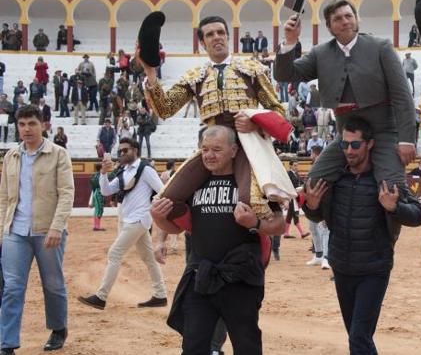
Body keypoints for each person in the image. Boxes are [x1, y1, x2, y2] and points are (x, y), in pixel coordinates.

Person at [142, 15, 295, 220]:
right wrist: (150, 72)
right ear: (203, 43)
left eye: (221, 32)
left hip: (246, 143)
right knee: (166, 201)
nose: (217, 37)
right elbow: (165, 109)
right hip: (212, 144)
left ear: (228, 37)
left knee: (253, 202)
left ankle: (259, 246)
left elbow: (278, 110)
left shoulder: (252, 69)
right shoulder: (195, 76)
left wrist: (255, 123)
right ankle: (199, 235)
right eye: (210, 34)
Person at [150, 125, 285, 354]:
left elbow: (280, 225)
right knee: (193, 346)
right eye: (204, 149)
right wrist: (158, 219)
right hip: (201, 275)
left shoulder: (252, 184)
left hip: (241, 278)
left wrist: (255, 223)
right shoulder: (192, 185)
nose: (209, 155)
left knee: (247, 346)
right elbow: (176, 229)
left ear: (234, 151)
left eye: (216, 149)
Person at [301, 117, 421, 354]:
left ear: (369, 144)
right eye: (345, 145)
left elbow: (417, 216)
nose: (349, 150)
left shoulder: (385, 181)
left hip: (374, 270)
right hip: (342, 268)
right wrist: (312, 206)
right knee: (358, 337)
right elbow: (316, 217)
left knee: (358, 336)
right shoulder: (335, 179)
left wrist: (394, 208)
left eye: (355, 145)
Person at [275, 0, 416, 203]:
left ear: (356, 19)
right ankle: (336, 230)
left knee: (392, 190)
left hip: (383, 131)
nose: (345, 21)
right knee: (313, 184)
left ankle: (385, 235)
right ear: (329, 26)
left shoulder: (381, 47)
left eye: (349, 16)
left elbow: (402, 95)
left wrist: (406, 140)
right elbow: (285, 74)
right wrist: (290, 41)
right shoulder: (320, 53)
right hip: (346, 137)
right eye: (338, 18)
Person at [0, 104, 73, 353]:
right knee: (12, 287)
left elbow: (66, 193)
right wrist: (2, 230)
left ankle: (58, 328)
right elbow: (4, 197)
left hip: (47, 231)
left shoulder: (58, 154)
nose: (27, 129)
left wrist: (57, 227)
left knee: (52, 283)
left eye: (32, 123)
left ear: (43, 125)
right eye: (22, 124)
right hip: (15, 232)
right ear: (17, 127)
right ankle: (7, 342)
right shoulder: (11, 156)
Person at [78, 137, 167, 310]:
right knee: (148, 258)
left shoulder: (145, 169)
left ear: (135, 150)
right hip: (127, 219)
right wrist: (103, 173)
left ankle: (101, 297)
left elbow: (162, 191)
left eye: (126, 150)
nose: (122, 153)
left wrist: (152, 209)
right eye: (120, 151)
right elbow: (106, 190)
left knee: (114, 253)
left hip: (139, 219)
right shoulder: (123, 170)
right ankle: (160, 294)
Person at [283, 160, 308, 241]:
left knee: (290, 214)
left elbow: (300, 183)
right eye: (294, 165)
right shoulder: (288, 174)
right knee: (295, 213)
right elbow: (287, 185)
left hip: (295, 196)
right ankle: (302, 233)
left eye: (297, 165)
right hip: (291, 196)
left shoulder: (296, 174)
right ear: (290, 166)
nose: (296, 167)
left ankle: (286, 233)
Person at [89, 163, 106, 231]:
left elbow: (92, 187)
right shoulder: (100, 175)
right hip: (99, 192)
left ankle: (96, 226)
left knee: (96, 210)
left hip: (95, 192)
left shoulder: (93, 176)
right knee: (99, 210)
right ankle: (97, 226)